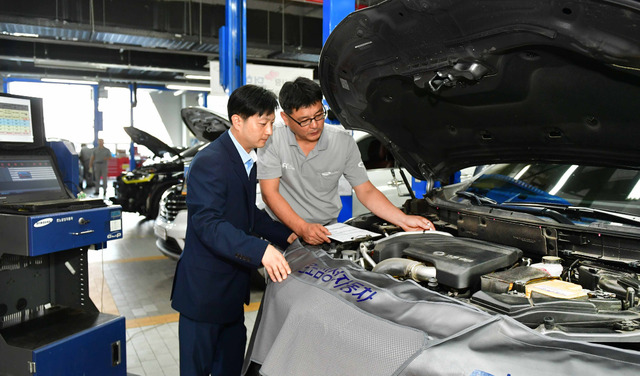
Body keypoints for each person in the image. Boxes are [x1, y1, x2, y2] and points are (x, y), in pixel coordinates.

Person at [170, 84, 297, 376]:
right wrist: (260, 250)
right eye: (263, 123)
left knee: (230, 368)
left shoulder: (246, 157)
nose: (268, 131)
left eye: (271, 124)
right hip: (203, 296)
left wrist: (288, 235)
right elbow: (208, 224)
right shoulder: (210, 161)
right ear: (238, 121)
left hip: (230, 294)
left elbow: (247, 214)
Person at [257, 77, 434, 245]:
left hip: (327, 231)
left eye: (319, 115)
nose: (315, 125)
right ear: (285, 118)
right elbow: (269, 193)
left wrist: (404, 220)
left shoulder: (342, 142)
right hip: (283, 229)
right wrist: (302, 228)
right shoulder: (272, 139)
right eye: (305, 120)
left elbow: (366, 191)